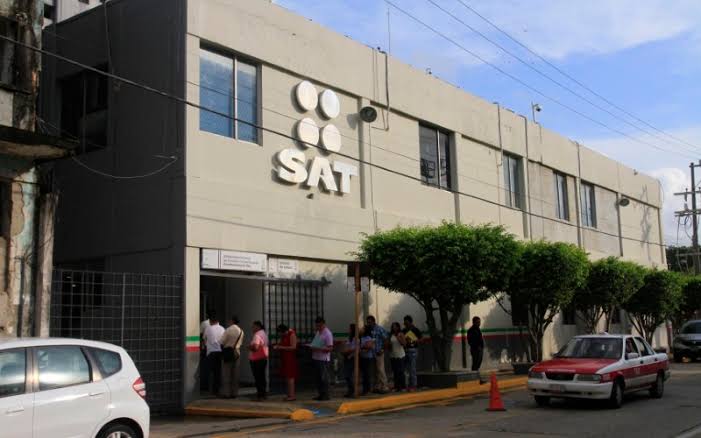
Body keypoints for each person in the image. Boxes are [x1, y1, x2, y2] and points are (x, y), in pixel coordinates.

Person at [219, 316, 244, 398]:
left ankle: (227, 393)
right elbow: (240, 343)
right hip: (237, 352)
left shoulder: (228, 330)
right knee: (235, 374)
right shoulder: (241, 331)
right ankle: (235, 393)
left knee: (226, 374)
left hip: (228, 353)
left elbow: (221, 342)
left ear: (232, 321)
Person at [310, 316, 334, 401]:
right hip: (316, 357)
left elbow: (330, 348)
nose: (318, 327)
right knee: (318, 378)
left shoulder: (327, 334)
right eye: (317, 326)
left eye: (319, 325)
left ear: (324, 324)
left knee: (324, 378)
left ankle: (326, 395)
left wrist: (319, 348)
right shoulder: (318, 332)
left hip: (323, 359)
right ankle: (320, 394)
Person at [273, 324, 298, 401]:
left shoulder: (292, 334)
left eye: (280, 333)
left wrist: (281, 347)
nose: (280, 334)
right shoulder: (284, 336)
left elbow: (293, 347)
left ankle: (292, 395)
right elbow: (282, 344)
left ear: (283, 331)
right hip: (284, 358)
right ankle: (289, 394)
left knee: (290, 377)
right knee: (287, 377)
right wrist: (278, 346)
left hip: (290, 358)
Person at [203, 313, 225, 395]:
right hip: (219, 352)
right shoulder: (222, 329)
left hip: (211, 352)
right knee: (217, 372)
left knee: (208, 371)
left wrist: (205, 346)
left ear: (211, 321)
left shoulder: (208, 328)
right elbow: (224, 340)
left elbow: (204, 339)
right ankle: (216, 390)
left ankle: (208, 389)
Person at [366, 315, 389, 393]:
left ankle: (385, 386)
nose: (368, 324)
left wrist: (382, 350)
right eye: (367, 322)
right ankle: (377, 386)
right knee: (375, 371)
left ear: (373, 321)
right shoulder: (369, 330)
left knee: (381, 369)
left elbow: (386, 339)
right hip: (371, 353)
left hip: (379, 352)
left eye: (370, 322)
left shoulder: (379, 329)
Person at [249, 321, 269, 401]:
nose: (252, 328)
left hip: (256, 359)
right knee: (262, 377)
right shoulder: (264, 334)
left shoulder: (257, 335)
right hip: (263, 358)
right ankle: (263, 394)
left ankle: (260, 395)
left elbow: (256, 347)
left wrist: (249, 347)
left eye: (253, 326)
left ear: (258, 327)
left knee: (258, 378)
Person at [402, 315, 422, 392]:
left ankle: (413, 385)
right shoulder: (404, 330)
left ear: (411, 322)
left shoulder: (415, 330)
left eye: (407, 323)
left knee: (412, 369)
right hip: (405, 350)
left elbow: (421, 339)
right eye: (405, 323)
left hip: (413, 350)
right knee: (405, 369)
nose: (405, 324)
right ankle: (406, 385)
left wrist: (415, 340)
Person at [389, 322, 406, 392]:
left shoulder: (401, 334)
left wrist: (398, 338)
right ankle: (396, 386)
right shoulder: (391, 335)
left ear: (398, 327)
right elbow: (389, 345)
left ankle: (403, 386)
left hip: (400, 355)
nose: (394, 328)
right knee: (395, 372)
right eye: (393, 327)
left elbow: (404, 344)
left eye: (395, 326)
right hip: (393, 355)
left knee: (401, 371)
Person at [341, 324, 358, 398]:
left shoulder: (355, 339)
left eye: (350, 329)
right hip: (347, 357)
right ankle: (350, 390)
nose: (349, 330)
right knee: (347, 375)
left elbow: (354, 349)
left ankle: (352, 390)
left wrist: (346, 351)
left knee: (348, 375)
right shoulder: (349, 338)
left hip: (351, 358)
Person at [359, 326, 375, 395]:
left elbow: (369, 346)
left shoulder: (368, 337)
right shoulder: (361, 337)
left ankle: (367, 389)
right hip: (362, 357)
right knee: (364, 374)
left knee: (366, 374)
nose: (361, 330)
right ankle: (365, 389)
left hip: (368, 357)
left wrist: (363, 347)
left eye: (363, 329)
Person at [199, 311, 211, 391]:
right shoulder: (218, 326)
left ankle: (204, 386)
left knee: (204, 367)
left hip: (206, 348)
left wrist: (201, 347)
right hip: (215, 349)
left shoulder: (204, 323)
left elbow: (200, 335)